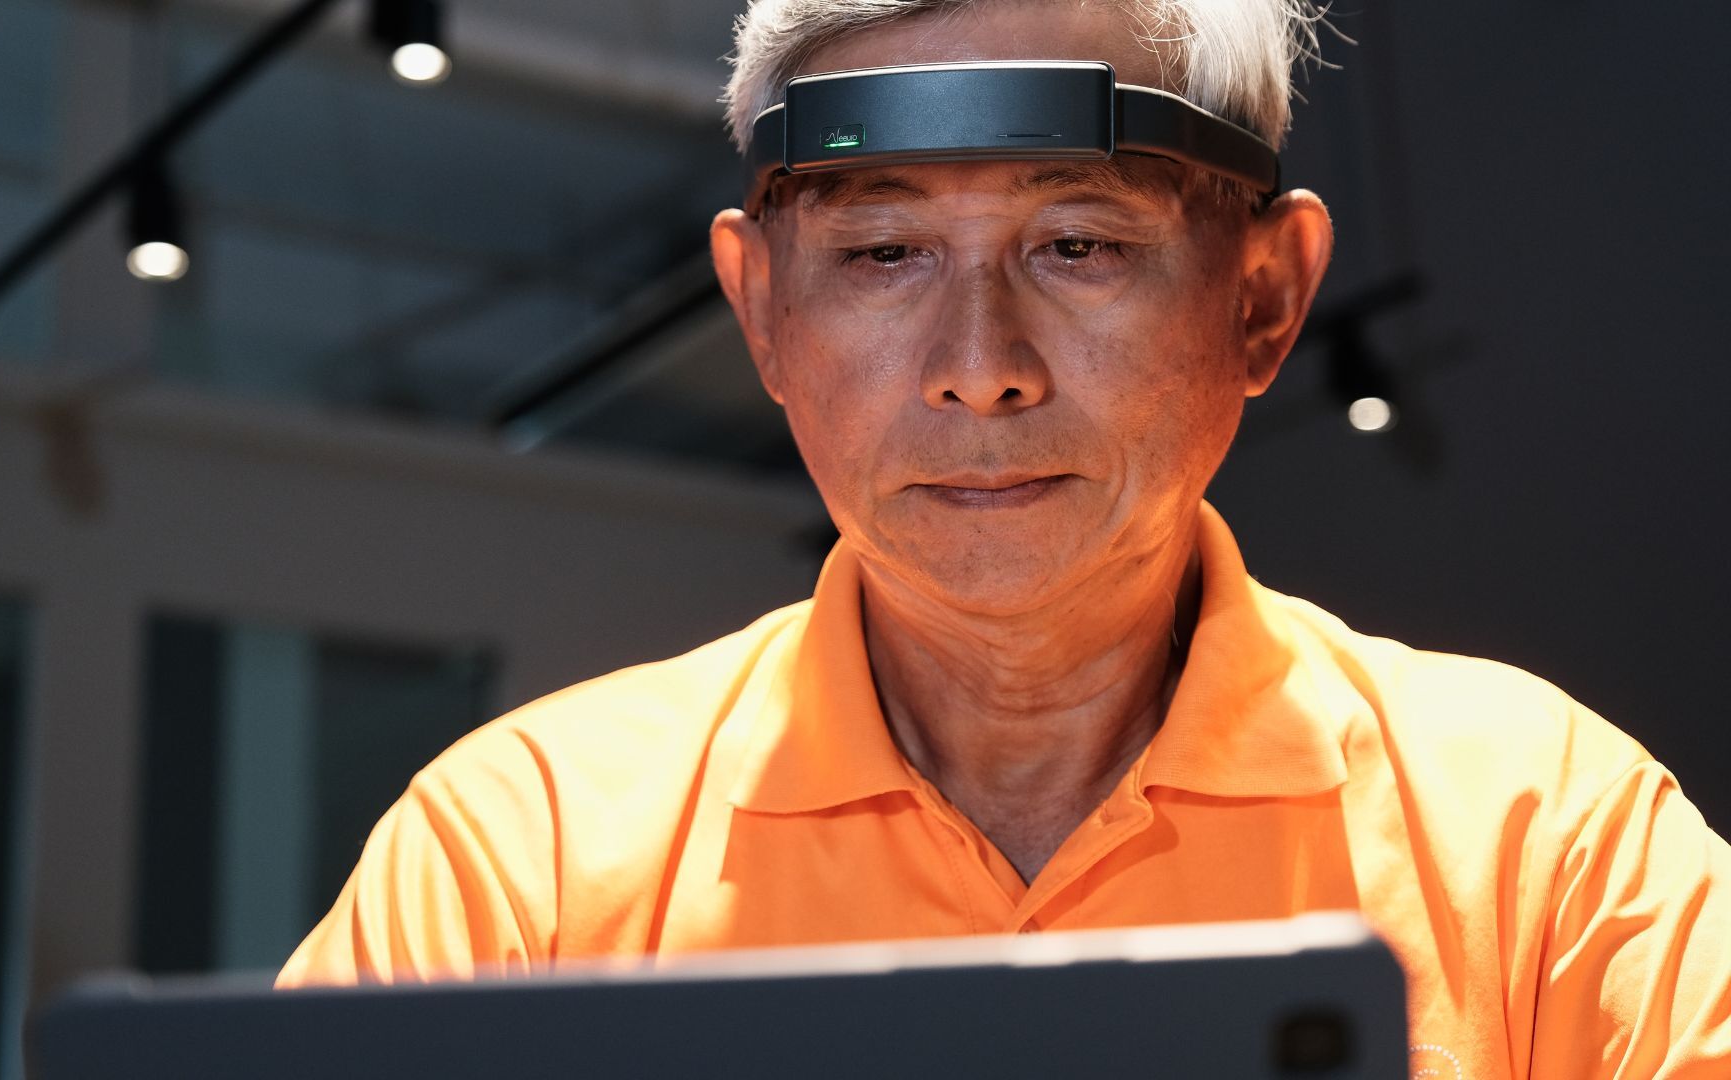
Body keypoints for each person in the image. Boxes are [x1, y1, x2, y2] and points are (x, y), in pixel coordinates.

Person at [280, 0, 1731, 1072]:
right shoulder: (518, 864)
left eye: (1079, 245)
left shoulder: (1548, 845)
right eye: (882, 253)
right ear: (763, 310)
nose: (979, 366)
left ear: (1265, 298)